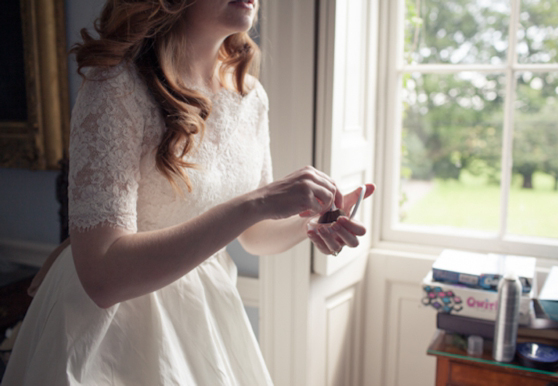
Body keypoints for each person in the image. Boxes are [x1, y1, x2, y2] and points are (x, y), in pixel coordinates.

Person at [2, 0, 374, 384]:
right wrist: (256, 203)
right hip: (109, 334)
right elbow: (102, 278)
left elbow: (254, 235)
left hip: (205, 314)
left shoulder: (250, 96)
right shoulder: (114, 86)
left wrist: (310, 224)